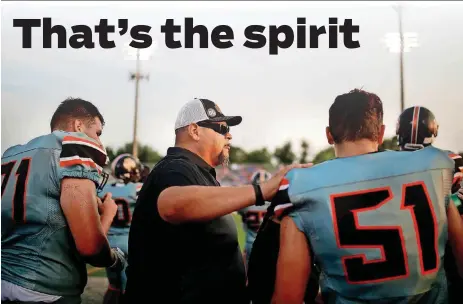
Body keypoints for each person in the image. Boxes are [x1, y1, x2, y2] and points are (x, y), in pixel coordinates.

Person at [269, 89, 463, 303]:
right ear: (381, 133)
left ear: (329, 135)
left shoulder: (301, 184)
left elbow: (287, 298)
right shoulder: (436, 167)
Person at [124, 98, 309, 304]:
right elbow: (171, 204)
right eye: (222, 128)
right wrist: (262, 190)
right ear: (194, 131)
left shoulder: (199, 173)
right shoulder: (175, 168)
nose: (229, 134)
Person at [1, 98, 127, 304]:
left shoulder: (10, 154)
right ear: (78, 126)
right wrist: (109, 221)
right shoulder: (74, 147)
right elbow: (90, 248)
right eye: (97, 133)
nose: (99, 142)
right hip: (47, 288)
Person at [396, 106, 463, 303]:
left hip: (402, 253)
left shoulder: (386, 162)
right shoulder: (450, 160)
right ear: (433, 131)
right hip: (443, 247)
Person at [99, 154, 143, 304]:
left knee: (113, 286)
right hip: (129, 242)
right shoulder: (137, 188)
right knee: (129, 287)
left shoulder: (103, 189)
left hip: (108, 242)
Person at [238, 169, 272, 267]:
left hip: (251, 244)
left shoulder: (246, 204)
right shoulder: (275, 204)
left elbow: (243, 218)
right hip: (270, 246)